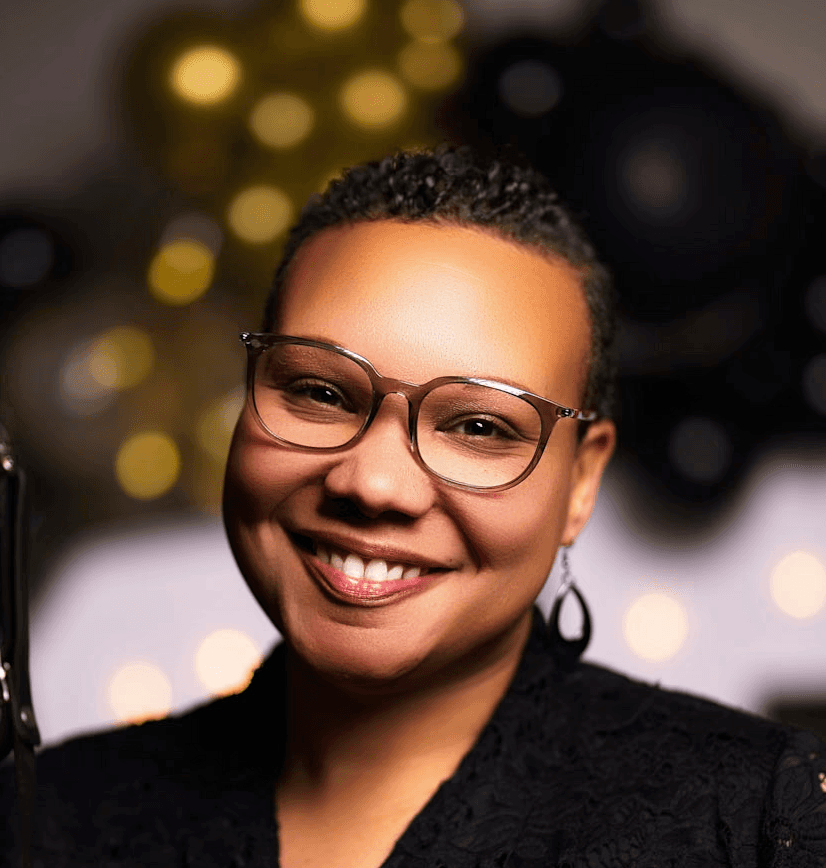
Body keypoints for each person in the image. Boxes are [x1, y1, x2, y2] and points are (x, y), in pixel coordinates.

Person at [2, 145, 825, 866]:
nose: (373, 483)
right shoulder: (49, 817)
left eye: (478, 425)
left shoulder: (756, 821)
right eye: (319, 391)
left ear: (580, 484)